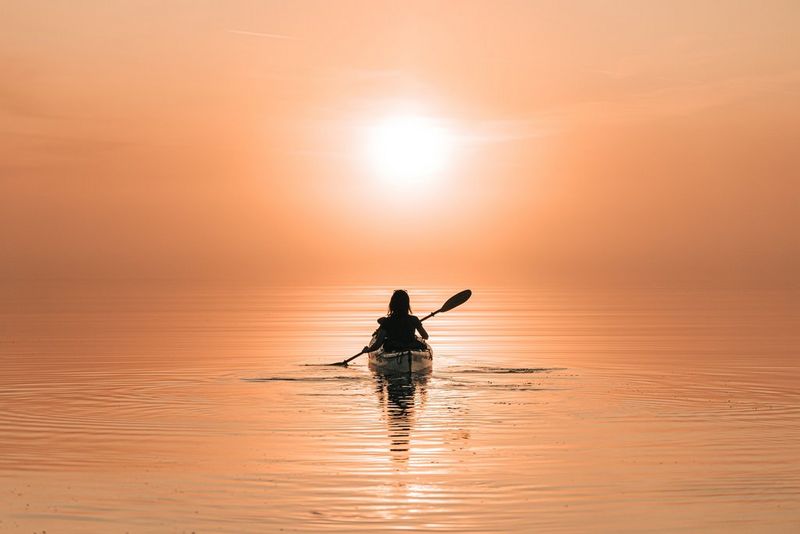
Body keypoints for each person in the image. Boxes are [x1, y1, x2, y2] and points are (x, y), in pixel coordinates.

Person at [364, 290, 429, 353]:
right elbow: (425, 336)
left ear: (392, 304)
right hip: (411, 346)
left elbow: (377, 344)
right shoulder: (414, 319)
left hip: (393, 347)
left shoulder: (387, 322)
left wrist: (368, 350)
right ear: (407, 305)